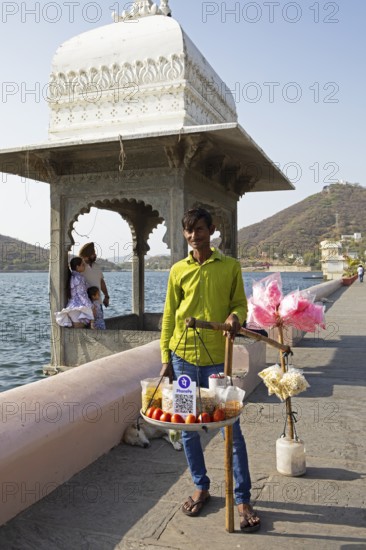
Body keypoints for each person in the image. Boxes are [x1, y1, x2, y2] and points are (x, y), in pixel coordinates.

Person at [160, 207, 260, 533]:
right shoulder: (177, 270)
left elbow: (240, 305)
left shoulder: (230, 266)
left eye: (199, 229)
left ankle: (243, 498)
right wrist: (166, 357)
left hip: (220, 360)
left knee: (230, 427)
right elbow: (169, 316)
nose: (193, 236)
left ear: (212, 229)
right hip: (184, 359)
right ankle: (201, 486)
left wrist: (235, 318)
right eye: (188, 231)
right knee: (188, 427)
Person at [55, 257, 94, 327]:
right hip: (78, 308)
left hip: (72, 307)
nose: (84, 266)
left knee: (76, 331)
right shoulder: (79, 278)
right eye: (82, 265)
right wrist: (90, 306)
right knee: (79, 331)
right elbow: (81, 294)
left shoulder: (73, 276)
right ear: (77, 267)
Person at [79, 242, 110, 307]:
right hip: (84, 305)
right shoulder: (79, 268)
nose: (95, 255)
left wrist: (106, 296)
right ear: (87, 255)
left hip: (98, 303)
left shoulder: (97, 266)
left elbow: (101, 282)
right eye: (93, 253)